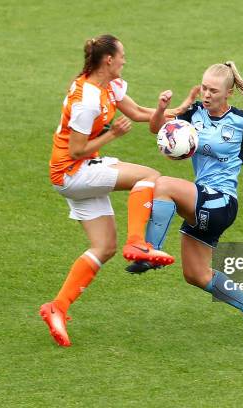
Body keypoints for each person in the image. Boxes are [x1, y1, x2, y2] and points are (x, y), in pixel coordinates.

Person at [40, 34, 196, 347]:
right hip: (73, 171)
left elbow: (139, 113)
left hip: (75, 174)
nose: (125, 60)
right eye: (122, 55)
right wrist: (112, 136)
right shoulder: (87, 100)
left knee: (104, 247)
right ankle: (139, 243)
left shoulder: (108, 86)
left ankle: (57, 307)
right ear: (108, 60)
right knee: (150, 177)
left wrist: (177, 108)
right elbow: (76, 150)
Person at [124, 61, 243, 341]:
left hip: (222, 202)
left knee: (163, 184)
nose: (206, 93)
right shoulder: (193, 114)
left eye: (213, 90)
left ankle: (149, 251)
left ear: (227, 93)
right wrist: (160, 107)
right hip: (202, 200)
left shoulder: (241, 121)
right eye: (203, 87)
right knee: (195, 274)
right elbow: (157, 129)